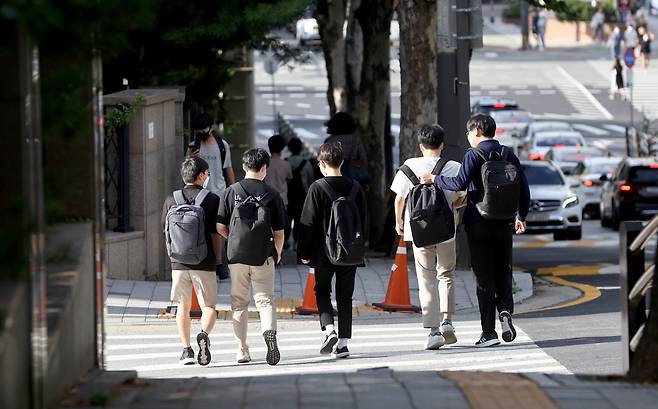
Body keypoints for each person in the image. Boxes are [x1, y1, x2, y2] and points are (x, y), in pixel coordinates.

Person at [419, 114, 530, 348]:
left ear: (478, 131)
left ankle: (488, 333)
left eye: (469, 133)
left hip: (478, 222)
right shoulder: (508, 153)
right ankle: (505, 312)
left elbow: (459, 183)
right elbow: (523, 187)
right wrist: (521, 216)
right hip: (504, 222)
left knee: (483, 278)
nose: (468, 137)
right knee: (503, 271)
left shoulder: (473, 154)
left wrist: (434, 179)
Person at [390, 124, 465, 350]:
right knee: (446, 274)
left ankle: (433, 332)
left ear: (421, 146)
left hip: (419, 231)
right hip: (446, 231)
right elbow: (462, 198)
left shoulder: (408, 167)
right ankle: (447, 321)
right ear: (442, 145)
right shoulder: (454, 167)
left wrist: (398, 222)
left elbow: (399, 199)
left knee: (426, 279)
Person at [298, 143, 368, 359]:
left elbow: (307, 224)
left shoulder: (317, 188)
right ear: (342, 162)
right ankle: (344, 344)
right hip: (350, 251)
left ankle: (329, 331)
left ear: (321, 163)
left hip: (323, 251)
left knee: (322, 292)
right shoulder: (355, 187)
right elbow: (364, 221)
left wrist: (305, 252)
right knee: (345, 296)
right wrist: (360, 246)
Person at [217, 148, 286, 365]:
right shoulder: (272, 195)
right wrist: (278, 253)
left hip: (237, 257)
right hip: (263, 256)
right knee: (265, 301)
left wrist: (233, 239)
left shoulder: (230, 192)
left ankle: (242, 349)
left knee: (239, 304)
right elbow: (279, 232)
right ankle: (269, 332)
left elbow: (220, 226)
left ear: (244, 166)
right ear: (264, 167)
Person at [162, 157, 219, 366]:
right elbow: (216, 233)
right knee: (209, 306)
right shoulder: (211, 199)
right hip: (204, 261)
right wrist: (218, 260)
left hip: (178, 262)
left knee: (182, 307)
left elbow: (165, 230)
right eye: (207, 174)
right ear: (202, 175)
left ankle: (186, 351)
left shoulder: (171, 199)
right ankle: (204, 334)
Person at [190, 113, 236, 280]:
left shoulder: (222, 145)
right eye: (198, 130)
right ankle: (203, 261)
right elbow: (187, 172)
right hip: (199, 194)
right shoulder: (193, 146)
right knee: (200, 228)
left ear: (212, 128)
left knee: (217, 229)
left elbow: (228, 168)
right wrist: (191, 158)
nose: (201, 133)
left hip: (219, 193)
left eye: (204, 129)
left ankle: (218, 263)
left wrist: (233, 191)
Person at [324, 112, 369, 188]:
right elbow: (363, 162)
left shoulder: (329, 141)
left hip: (332, 182)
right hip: (352, 182)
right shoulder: (355, 142)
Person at [263, 134, 293, 248]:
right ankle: (280, 252)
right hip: (282, 200)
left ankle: (270, 250)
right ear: (282, 148)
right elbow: (289, 179)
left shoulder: (265, 164)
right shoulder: (286, 164)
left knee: (269, 227)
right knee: (280, 227)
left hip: (267, 199)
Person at [286, 137, 315, 244]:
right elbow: (311, 179)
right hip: (302, 195)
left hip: (288, 194)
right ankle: (296, 241)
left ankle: (285, 242)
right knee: (299, 218)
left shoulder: (286, 162)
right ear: (301, 148)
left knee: (287, 217)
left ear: (289, 148)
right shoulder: (306, 163)